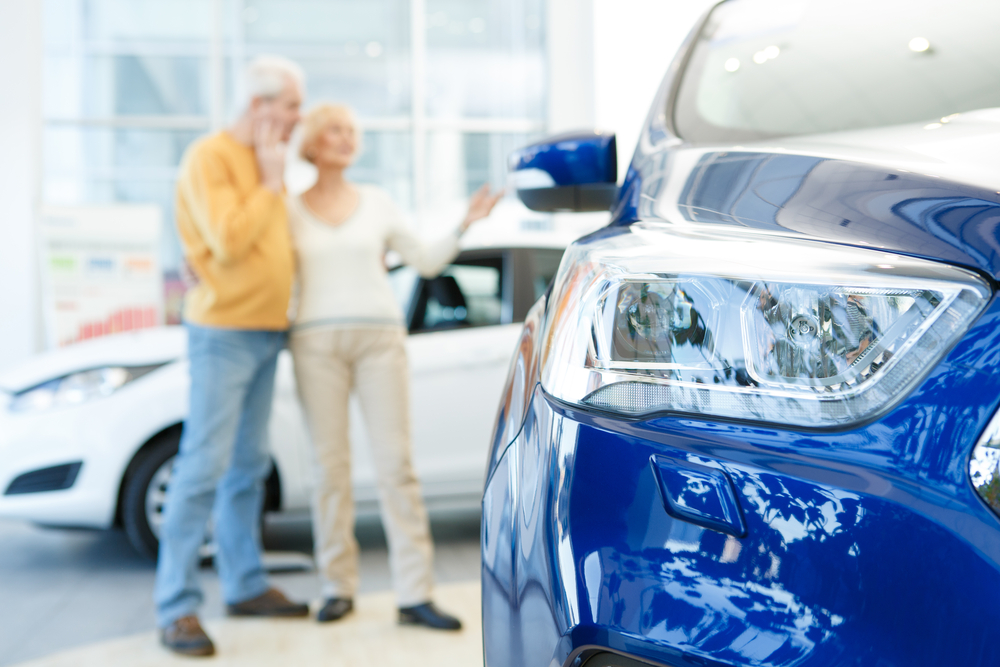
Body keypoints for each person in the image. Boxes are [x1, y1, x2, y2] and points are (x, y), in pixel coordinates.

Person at [288, 103, 503, 629]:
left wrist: (465, 225)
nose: (345, 139)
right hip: (314, 344)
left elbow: (427, 261)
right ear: (313, 144)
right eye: (334, 131)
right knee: (329, 470)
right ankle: (336, 586)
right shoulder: (287, 209)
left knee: (396, 468)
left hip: (380, 340)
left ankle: (414, 593)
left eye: (351, 131)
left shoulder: (378, 203)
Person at [155, 55, 310, 657]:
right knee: (202, 468)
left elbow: (274, 245)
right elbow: (226, 239)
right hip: (223, 333)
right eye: (291, 105)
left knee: (248, 466)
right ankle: (176, 607)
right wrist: (270, 183)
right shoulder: (212, 156)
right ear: (259, 106)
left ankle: (244, 583)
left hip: (267, 330)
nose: (298, 117)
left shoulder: (264, 162)